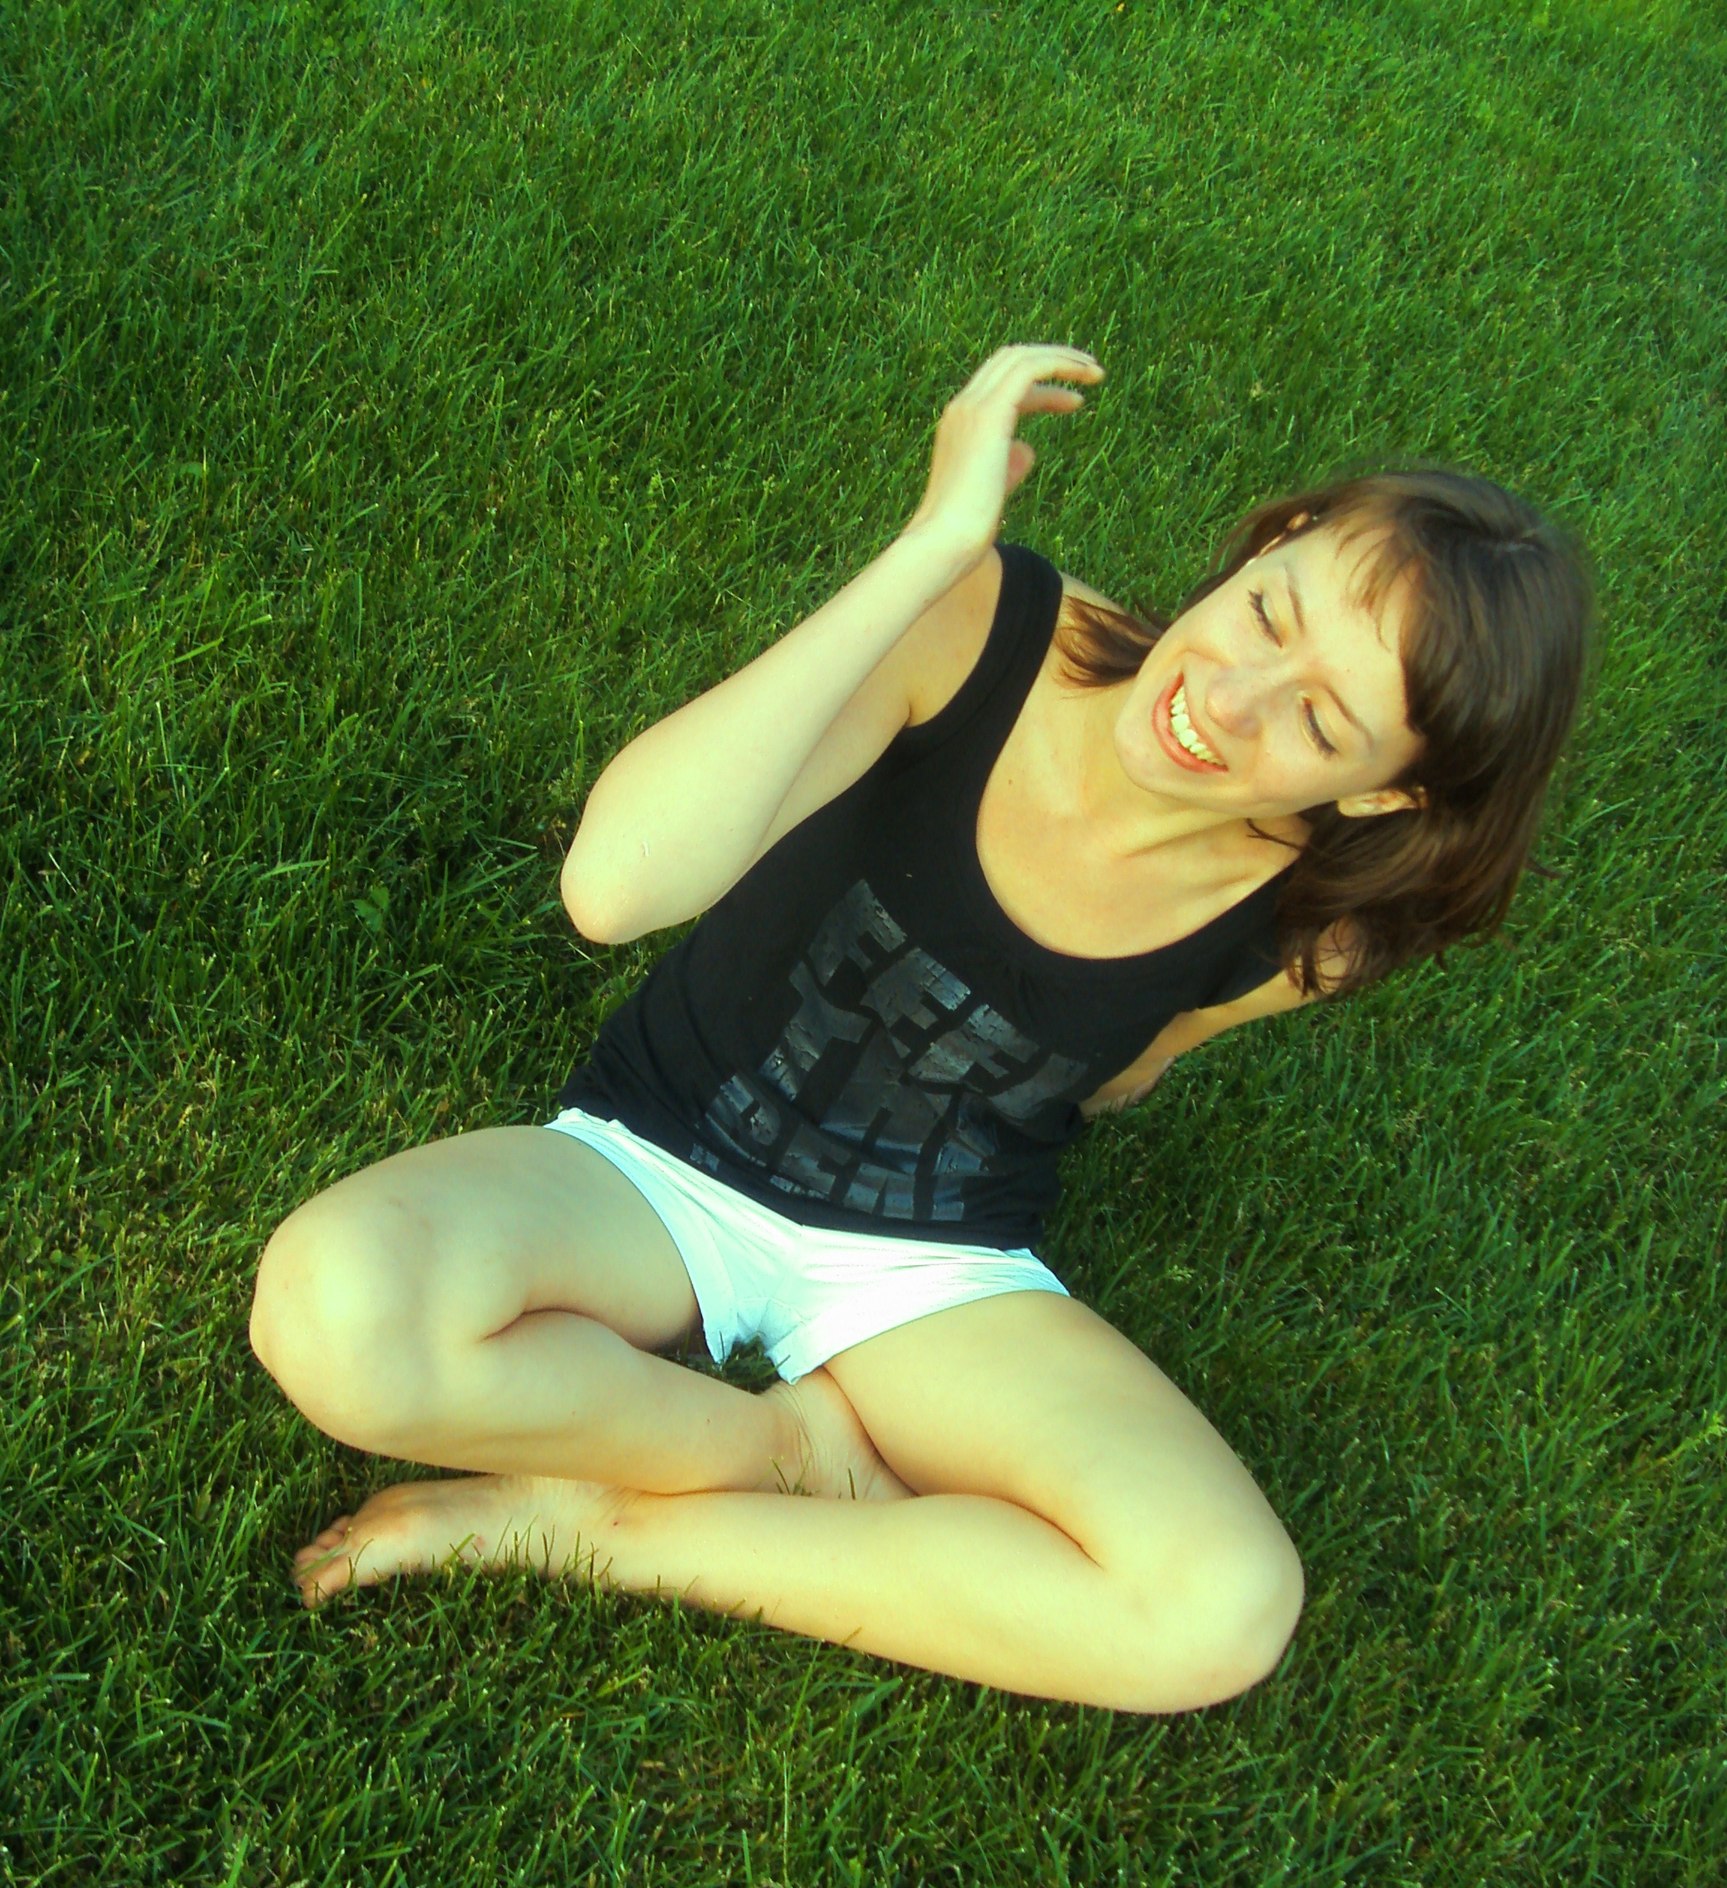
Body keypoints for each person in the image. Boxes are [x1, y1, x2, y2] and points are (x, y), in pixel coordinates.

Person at [249, 345, 1589, 1713]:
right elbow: (614, 889)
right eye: (1268, 613)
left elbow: (1124, 1071)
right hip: (653, 1156)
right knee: (336, 1312)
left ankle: (593, 1522)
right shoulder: (982, 630)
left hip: (930, 1263)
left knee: (1217, 1610)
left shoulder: (1309, 931)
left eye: (1319, 721)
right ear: (1271, 541)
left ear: (1381, 796)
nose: (1229, 701)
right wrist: (931, 553)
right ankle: (781, 1457)